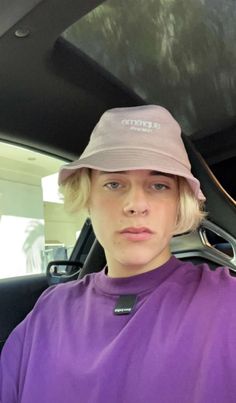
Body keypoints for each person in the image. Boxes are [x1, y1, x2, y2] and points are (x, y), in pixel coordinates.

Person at [0, 105, 235, 403]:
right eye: (114, 184)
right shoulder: (49, 310)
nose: (135, 204)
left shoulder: (227, 304)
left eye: (159, 185)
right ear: (88, 199)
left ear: (179, 203)